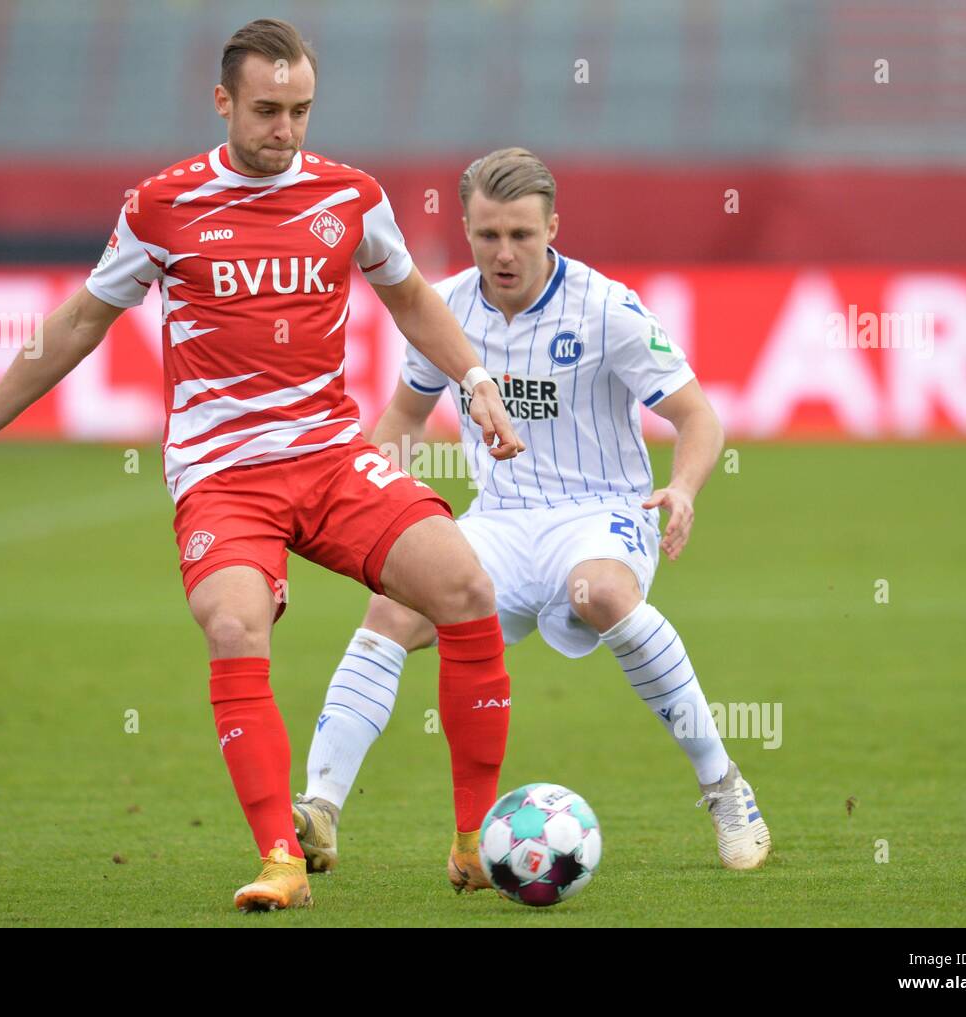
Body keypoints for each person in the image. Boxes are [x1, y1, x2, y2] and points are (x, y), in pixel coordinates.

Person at [0, 19, 528, 912]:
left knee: (467, 589)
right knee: (236, 625)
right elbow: (83, 321)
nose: (286, 130)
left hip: (329, 459)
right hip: (223, 478)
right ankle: (281, 856)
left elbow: (410, 298)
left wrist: (475, 378)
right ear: (224, 102)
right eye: (268, 110)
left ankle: (474, 843)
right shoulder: (161, 206)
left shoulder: (351, 196)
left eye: (302, 111)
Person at [293, 148, 771, 881]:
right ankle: (319, 810)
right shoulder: (447, 306)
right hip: (502, 519)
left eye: (521, 234)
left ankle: (723, 784)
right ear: (467, 229)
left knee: (604, 594)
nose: (505, 252)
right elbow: (405, 417)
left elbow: (698, 415)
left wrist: (684, 489)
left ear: (553, 226)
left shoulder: (606, 308)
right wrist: (361, 490)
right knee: (389, 609)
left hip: (601, 511)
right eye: (488, 236)